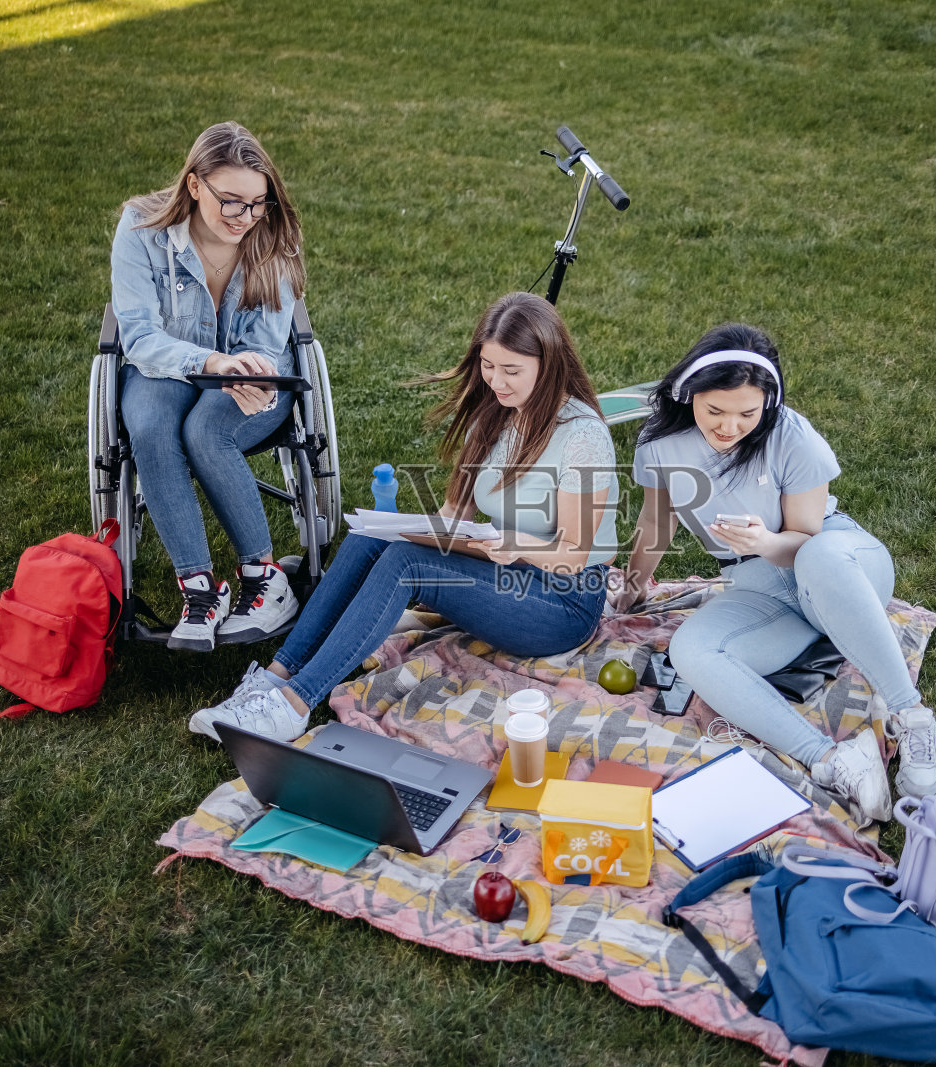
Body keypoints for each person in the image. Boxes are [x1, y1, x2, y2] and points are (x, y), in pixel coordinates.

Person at [190, 291, 619, 743]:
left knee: (405, 564)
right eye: (488, 366)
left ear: (548, 364)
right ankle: (275, 679)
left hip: (564, 602)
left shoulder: (582, 435)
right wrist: (402, 530)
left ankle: (294, 705)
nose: (496, 381)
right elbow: (454, 514)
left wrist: (514, 546)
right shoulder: (494, 416)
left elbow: (574, 555)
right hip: (501, 569)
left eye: (512, 370)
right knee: (369, 538)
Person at [613, 323, 936, 827]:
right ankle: (833, 762)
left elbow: (806, 539)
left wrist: (766, 543)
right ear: (689, 395)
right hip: (760, 588)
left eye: (747, 413)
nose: (730, 427)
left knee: (819, 558)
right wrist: (634, 590)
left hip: (835, 562)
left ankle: (911, 715)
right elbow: (655, 523)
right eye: (715, 412)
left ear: (767, 402)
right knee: (691, 650)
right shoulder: (660, 444)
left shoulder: (793, 437)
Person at [109, 121, 306, 652]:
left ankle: (265, 580)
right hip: (167, 367)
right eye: (231, 201)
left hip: (253, 379)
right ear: (194, 185)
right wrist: (211, 361)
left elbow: (268, 342)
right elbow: (141, 336)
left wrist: (251, 375)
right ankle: (200, 589)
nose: (246, 217)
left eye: (257, 203)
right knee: (151, 428)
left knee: (204, 432)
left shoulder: (273, 239)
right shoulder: (141, 228)